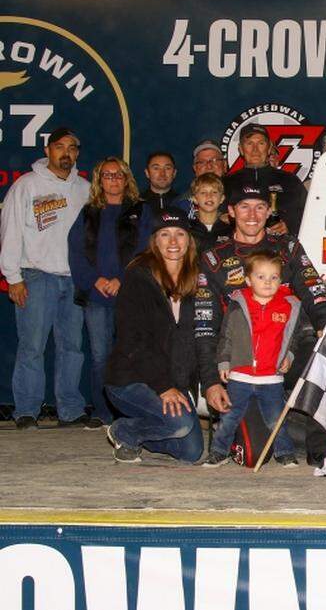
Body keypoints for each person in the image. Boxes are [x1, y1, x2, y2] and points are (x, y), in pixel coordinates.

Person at [196, 185, 326, 462]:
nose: (253, 214)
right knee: (254, 455)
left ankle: (321, 452)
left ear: (269, 211)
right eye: (244, 206)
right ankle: (274, 426)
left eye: (259, 206)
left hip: (284, 355)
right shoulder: (213, 258)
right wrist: (211, 382)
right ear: (231, 212)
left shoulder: (288, 246)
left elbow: (313, 288)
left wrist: (324, 323)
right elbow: (205, 326)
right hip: (241, 367)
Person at [1, 127, 91, 429]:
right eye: (60, 147)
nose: (66, 153)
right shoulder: (26, 186)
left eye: (72, 147)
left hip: (73, 280)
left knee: (72, 348)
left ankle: (70, 409)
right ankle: (27, 410)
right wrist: (13, 276)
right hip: (36, 275)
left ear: (77, 153)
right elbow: (10, 231)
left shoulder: (85, 189)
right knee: (32, 346)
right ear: (47, 151)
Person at [103, 208, 203, 463]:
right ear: (154, 241)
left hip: (170, 379)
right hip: (130, 378)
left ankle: (148, 425)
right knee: (178, 423)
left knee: (191, 453)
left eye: (180, 234)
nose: (173, 242)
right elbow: (133, 341)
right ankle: (125, 431)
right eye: (165, 234)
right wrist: (163, 387)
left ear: (189, 240)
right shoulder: (138, 277)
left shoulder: (196, 280)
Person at [67, 157, 151, 428]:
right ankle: (102, 411)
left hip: (131, 295)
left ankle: (130, 411)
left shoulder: (141, 211)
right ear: (99, 180)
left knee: (130, 353)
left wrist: (122, 279)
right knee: (100, 355)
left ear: (127, 179)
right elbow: (76, 253)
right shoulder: (88, 213)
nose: (113, 180)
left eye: (118, 175)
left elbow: (147, 251)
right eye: (107, 175)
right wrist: (96, 280)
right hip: (96, 297)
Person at [204, 251, 300, 467]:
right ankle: (219, 452)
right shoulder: (238, 303)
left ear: (280, 280)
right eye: (261, 277)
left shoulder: (288, 307)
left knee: (276, 419)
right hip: (241, 376)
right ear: (248, 280)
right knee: (229, 416)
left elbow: (292, 338)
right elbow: (226, 335)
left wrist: (289, 356)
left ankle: (284, 452)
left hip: (271, 379)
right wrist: (224, 362)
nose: (267, 282)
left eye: (273, 277)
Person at [222, 123, 308, 236]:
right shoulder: (226, 183)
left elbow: (310, 212)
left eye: (261, 143)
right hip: (238, 249)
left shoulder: (290, 180)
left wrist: (290, 225)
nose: (255, 150)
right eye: (249, 143)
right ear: (241, 149)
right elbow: (214, 217)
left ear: (269, 148)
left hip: (281, 247)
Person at [186, 173, 233, 251]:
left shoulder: (231, 229)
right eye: (203, 192)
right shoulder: (187, 229)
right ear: (194, 199)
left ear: (222, 198)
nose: (209, 196)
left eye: (214, 192)